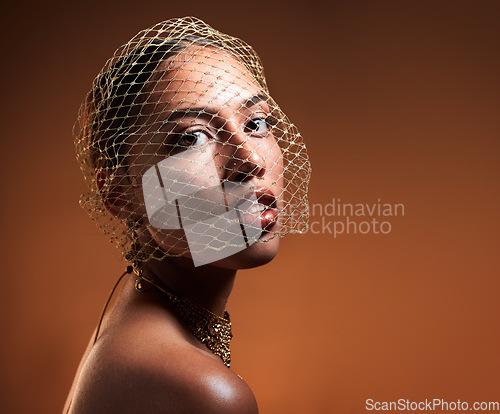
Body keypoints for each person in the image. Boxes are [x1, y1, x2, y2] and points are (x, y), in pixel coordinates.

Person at [64, 16, 310, 414]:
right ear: (118, 193)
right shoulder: (201, 390)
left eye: (256, 123)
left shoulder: (133, 320)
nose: (249, 160)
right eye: (191, 138)